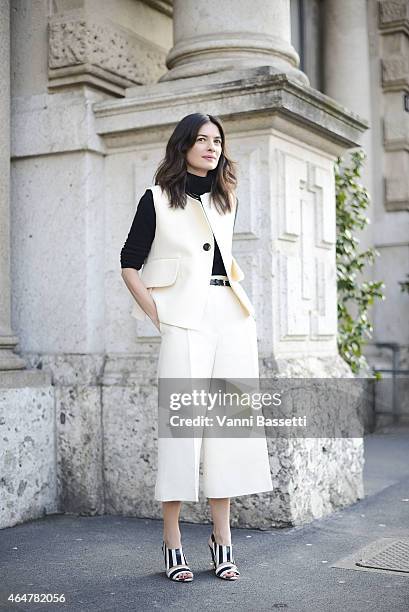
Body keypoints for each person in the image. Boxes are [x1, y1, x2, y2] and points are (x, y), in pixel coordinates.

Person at [120, 113, 273, 583]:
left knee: (226, 428)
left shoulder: (229, 199)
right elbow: (128, 263)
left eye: (217, 140)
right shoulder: (156, 199)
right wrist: (158, 314)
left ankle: (222, 540)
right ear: (183, 145)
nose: (211, 146)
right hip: (184, 320)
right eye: (202, 139)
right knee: (182, 428)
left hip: (229, 316)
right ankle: (172, 540)